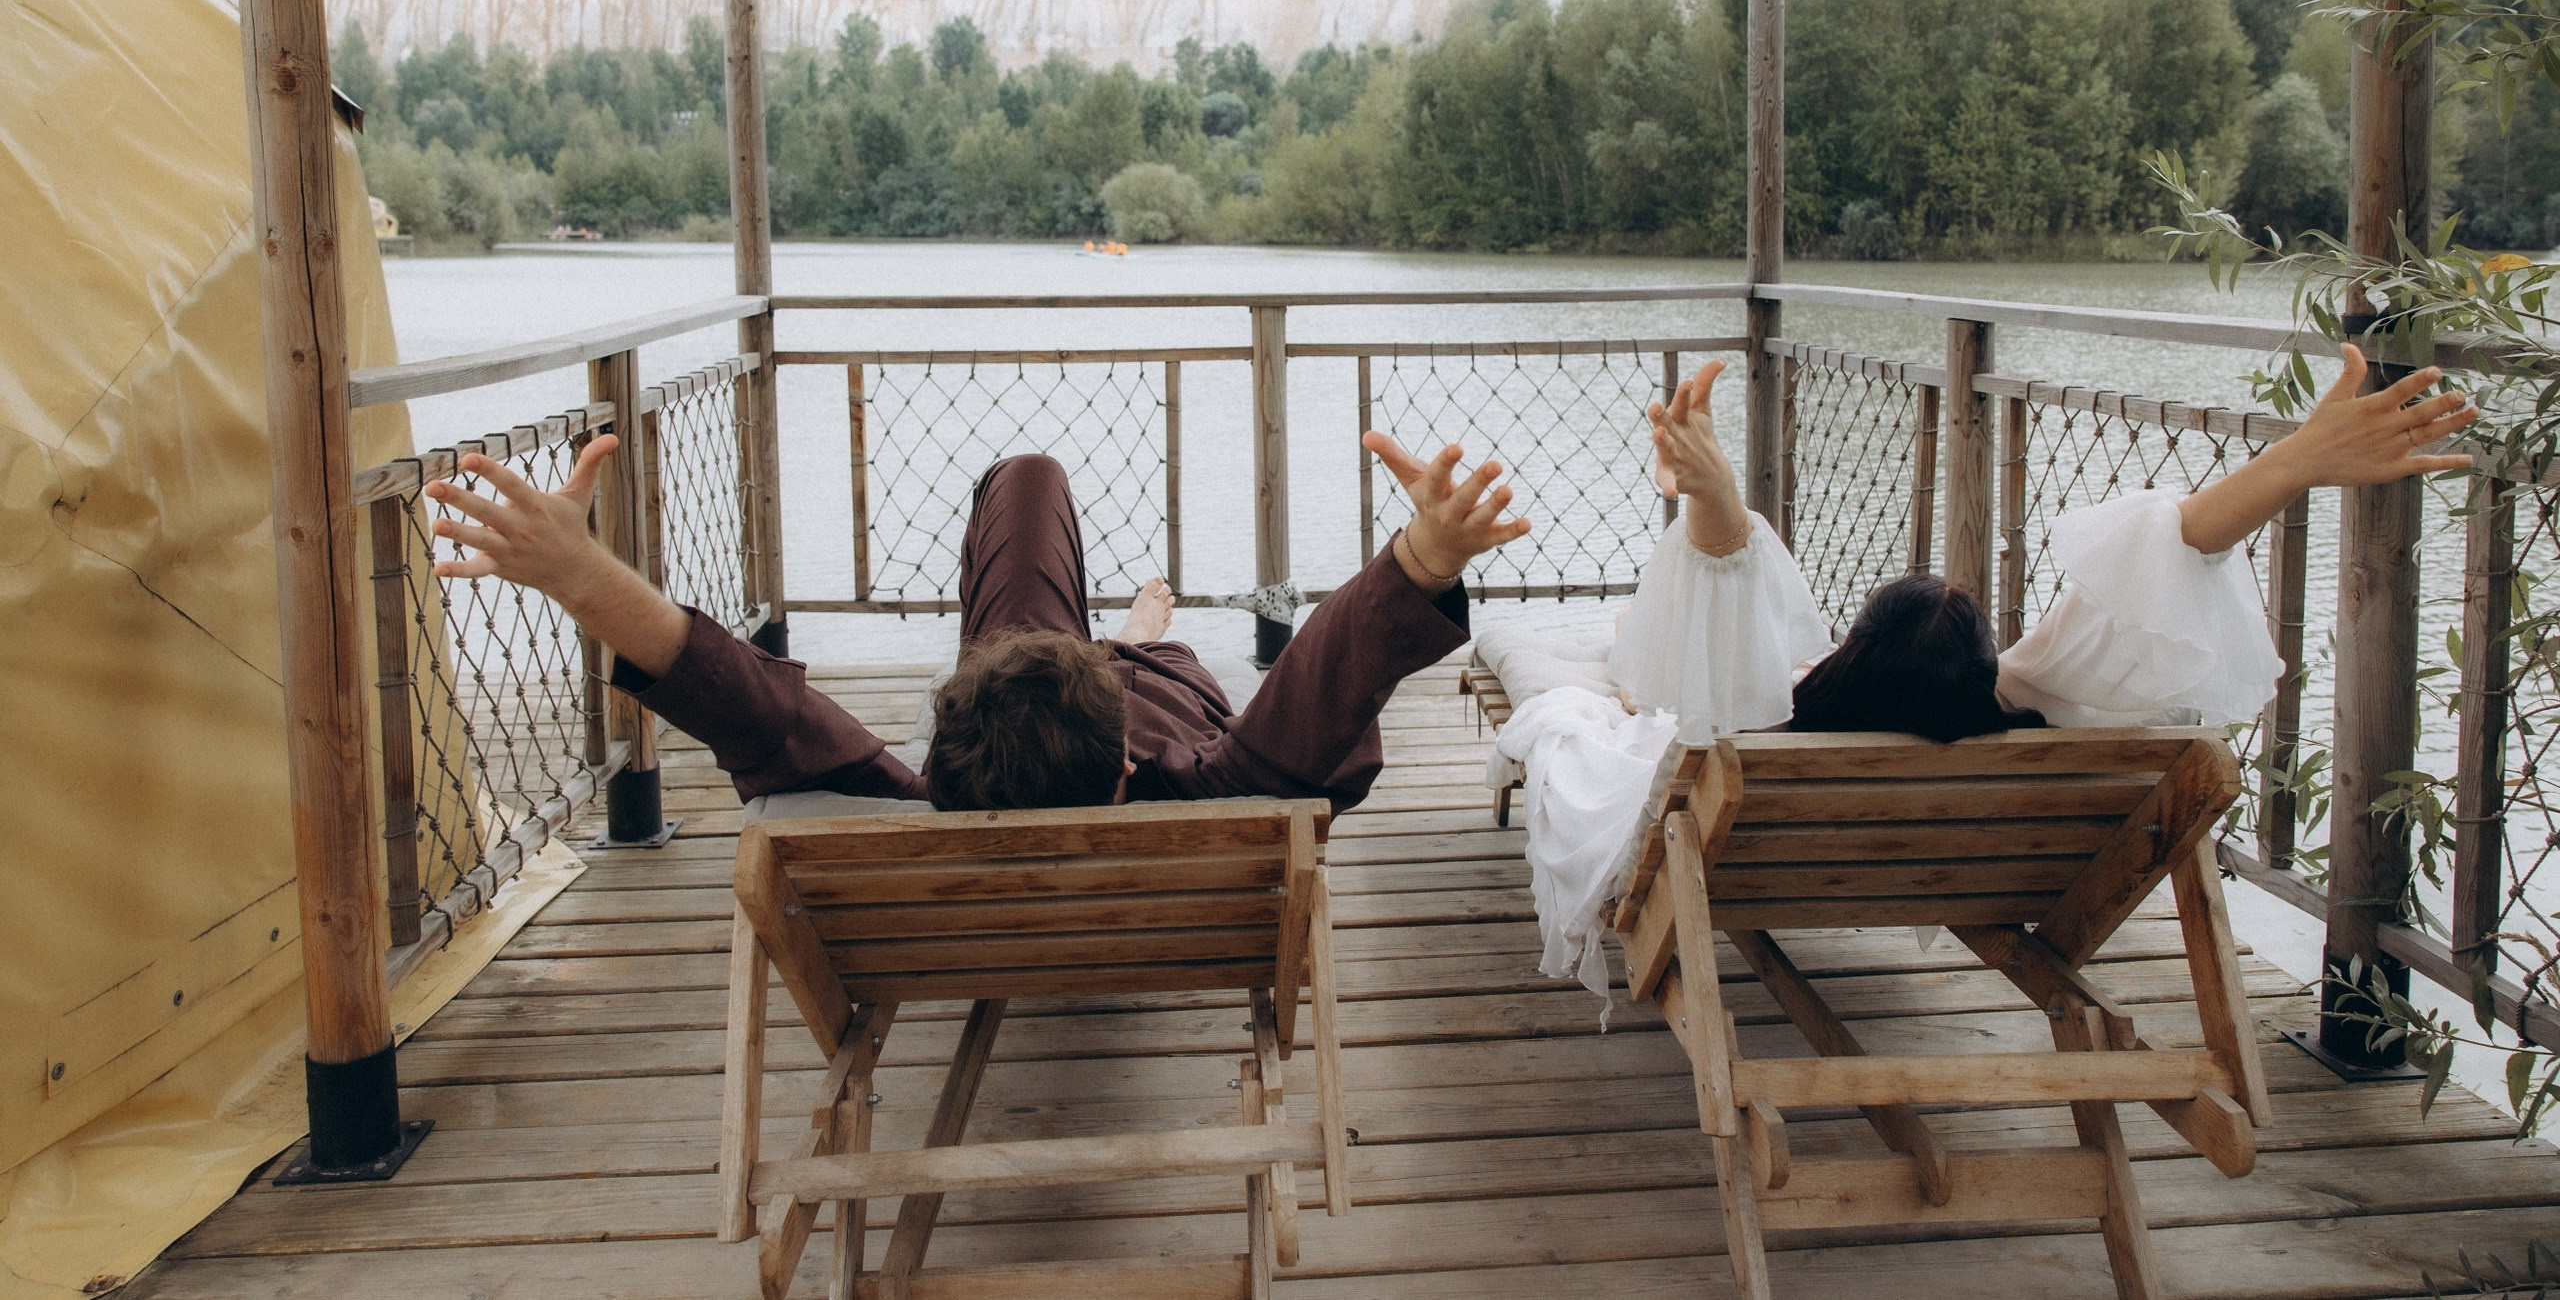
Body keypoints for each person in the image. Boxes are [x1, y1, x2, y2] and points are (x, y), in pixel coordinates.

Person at [1482, 343, 2476, 1000]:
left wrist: (1718, 506)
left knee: (1627, 685)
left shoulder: (1759, 725)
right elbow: (2168, 557)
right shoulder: (2026, 714)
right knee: (1657, 662)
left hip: (1759, 832)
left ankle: (1632, 644)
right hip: (1951, 849)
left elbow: (1725, 599)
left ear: (1852, 657)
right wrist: (2290, 465)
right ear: (1985, 672)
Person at [421, 431, 1530, 813]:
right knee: (1114, 582)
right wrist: (1426, 556)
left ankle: (1129, 635)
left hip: (1056, 701)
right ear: (1122, 776)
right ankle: (1139, 637)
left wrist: (580, 574)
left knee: (1026, 480)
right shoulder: (1221, 784)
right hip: (1137, 696)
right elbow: (1330, 672)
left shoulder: (916, 800)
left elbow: (743, 699)